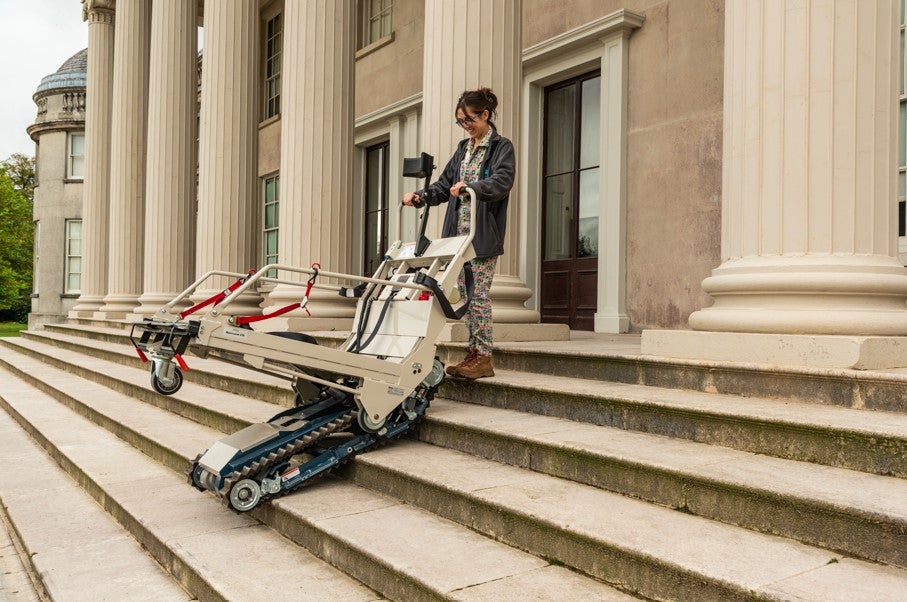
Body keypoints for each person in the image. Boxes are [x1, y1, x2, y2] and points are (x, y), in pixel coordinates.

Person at [403, 87, 515, 380]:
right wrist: (421, 196)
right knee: (465, 296)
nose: (466, 126)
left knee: (478, 296)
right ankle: (474, 352)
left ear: (485, 115)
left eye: (469, 120)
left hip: (482, 236)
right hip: (457, 239)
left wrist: (472, 188)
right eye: (461, 121)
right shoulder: (462, 151)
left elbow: (502, 182)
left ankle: (484, 357)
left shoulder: (501, 148)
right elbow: (443, 186)